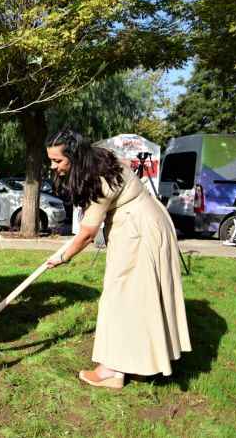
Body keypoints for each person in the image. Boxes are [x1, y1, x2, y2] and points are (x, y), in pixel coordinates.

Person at [44, 130, 191, 389]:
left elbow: (88, 232)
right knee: (139, 297)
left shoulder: (100, 178)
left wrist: (62, 257)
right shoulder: (101, 160)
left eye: (58, 161)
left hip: (138, 231)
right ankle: (144, 363)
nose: (54, 167)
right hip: (145, 222)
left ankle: (111, 371)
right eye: (51, 160)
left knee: (120, 297)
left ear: (76, 157)